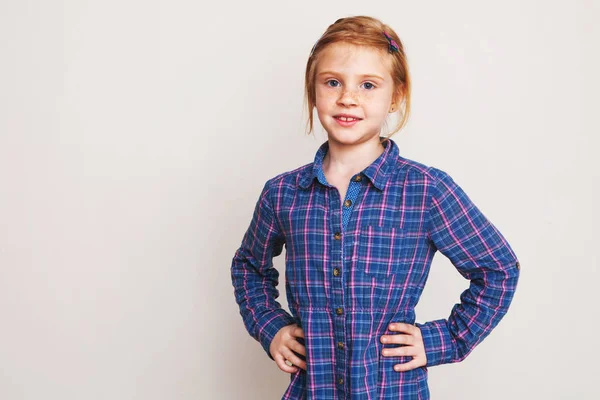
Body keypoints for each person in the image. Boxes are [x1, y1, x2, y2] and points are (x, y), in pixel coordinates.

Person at [230, 15, 520, 399]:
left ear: (396, 95)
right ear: (313, 91)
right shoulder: (283, 193)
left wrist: (443, 340)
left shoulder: (425, 190)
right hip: (311, 390)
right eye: (332, 82)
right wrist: (272, 328)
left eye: (368, 85)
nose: (348, 97)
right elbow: (248, 266)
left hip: (392, 390)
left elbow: (498, 268)